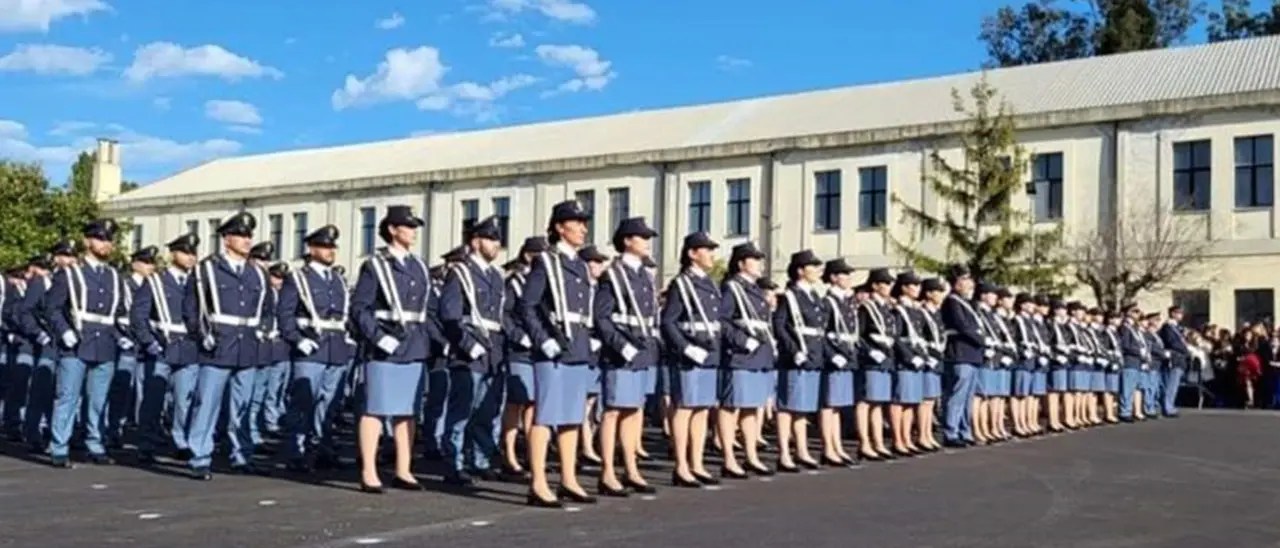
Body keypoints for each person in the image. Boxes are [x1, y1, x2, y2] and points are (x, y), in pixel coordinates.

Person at [519, 200, 596, 507]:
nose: (582, 228)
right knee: (545, 415)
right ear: (559, 228)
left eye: (582, 222)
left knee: (571, 418)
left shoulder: (578, 264)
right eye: (575, 222)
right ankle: (537, 481)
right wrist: (542, 340)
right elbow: (527, 306)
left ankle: (568, 478)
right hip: (552, 347)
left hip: (576, 346)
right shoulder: (546, 262)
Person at [184, 212, 272, 479]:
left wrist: (263, 331)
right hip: (218, 344)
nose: (247, 240)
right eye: (241, 235)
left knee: (242, 406)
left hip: (247, 345)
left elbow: (267, 310)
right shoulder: (206, 269)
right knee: (207, 403)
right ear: (226, 239)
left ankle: (241, 454)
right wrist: (202, 335)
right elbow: (192, 309)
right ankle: (200, 455)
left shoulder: (257, 272)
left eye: (249, 236)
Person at [350, 205, 431, 492]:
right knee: (375, 409)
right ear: (393, 230)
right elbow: (360, 308)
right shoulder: (375, 265)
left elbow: (426, 309)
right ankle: (369, 470)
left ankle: (404, 469)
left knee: (407, 411)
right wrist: (377, 337)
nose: (412, 232)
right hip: (385, 344)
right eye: (407, 227)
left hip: (414, 344)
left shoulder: (419, 265)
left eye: (413, 227)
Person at [45, 219, 126, 468]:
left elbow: (120, 311)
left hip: (105, 343)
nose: (106, 244)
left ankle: (95, 443)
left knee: (98, 399)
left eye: (109, 239)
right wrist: (64, 331)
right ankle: (59, 446)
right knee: (68, 397)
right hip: (77, 343)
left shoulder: (113, 275)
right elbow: (53, 308)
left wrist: (122, 333)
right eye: (101, 238)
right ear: (87, 241)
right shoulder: (69, 273)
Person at [594, 217, 661, 495]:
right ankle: (607, 471)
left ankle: (631, 468)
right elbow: (602, 317)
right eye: (641, 237)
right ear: (626, 241)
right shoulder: (614, 274)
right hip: (621, 351)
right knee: (613, 412)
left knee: (634, 411)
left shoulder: (644, 275)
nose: (647, 242)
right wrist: (621, 345)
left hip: (642, 349)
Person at [278, 225, 354, 472]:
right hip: (311, 348)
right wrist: (297, 339)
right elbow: (285, 314)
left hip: (336, 348)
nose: (330, 251)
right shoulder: (298, 278)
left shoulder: (338, 280)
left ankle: (323, 447)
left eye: (332, 246)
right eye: (325, 246)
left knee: (330, 404)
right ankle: (295, 451)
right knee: (303, 402)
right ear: (312, 249)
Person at [439, 216, 507, 485]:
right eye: (491, 239)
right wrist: (468, 345)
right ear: (476, 242)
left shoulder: (496, 276)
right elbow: (450, 315)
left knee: (487, 411)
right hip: (469, 352)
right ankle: (453, 463)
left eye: (497, 239)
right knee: (461, 411)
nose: (497, 245)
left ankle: (479, 460)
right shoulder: (460, 272)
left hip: (494, 351)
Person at [661, 232, 724, 486]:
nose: (711, 254)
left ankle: (697, 463)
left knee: (701, 410)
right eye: (706, 250)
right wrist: (686, 348)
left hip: (709, 354)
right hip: (690, 355)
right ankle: (681, 465)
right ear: (692, 254)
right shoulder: (682, 284)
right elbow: (668, 322)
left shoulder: (709, 284)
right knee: (685, 409)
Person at [132, 234, 200, 463]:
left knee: (184, 401)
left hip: (188, 347)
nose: (191, 257)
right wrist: (148, 342)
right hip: (162, 345)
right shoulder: (155, 281)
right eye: (185, 252)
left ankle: (181, 441)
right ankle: (146, 443)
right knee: (153, 400)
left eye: (193, 253)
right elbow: (138, 316)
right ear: (173, 254)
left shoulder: (197, 282)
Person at [106, 245, 155, 449]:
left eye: (152, 263)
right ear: (135, 264)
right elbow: (115, 314)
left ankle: (140, 430)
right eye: (146, 262)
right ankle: (114, 428)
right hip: (127, 342)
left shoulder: (154, 285)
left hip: (144, 344)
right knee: (122, 388)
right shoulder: (125, 285)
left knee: (144, 391)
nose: (150, 267)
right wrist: (119, 336)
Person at [818, 258, 858, 465]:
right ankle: (828, 448)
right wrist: (832, 355)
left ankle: (837, 445)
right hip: (834, 358)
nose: (849, 278)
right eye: (844, 274)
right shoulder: (828, 302)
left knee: (838, 406)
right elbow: (822, 333)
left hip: (846, 356)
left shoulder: (846, 301)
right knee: (829, 405)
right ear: (833, 278)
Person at [857, 267, 898, 459]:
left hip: (885, 359)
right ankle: (864, 442)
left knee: (878, 403)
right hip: (871, 360)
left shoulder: (886, 308)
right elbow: (859, 335)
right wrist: (870, 352)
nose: (889, 287)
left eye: (890, 283)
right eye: (885, 283)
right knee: (866, 402)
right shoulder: (867, 307)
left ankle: (878, 442)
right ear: (875, 285)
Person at [940, 264, 981, 448]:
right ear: (956, 283)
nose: (969, 283)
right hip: (960, 353)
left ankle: (964, 430)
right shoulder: (952, 302)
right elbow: (963, 326)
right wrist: (981, 339)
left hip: (972, 354)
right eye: (965, 279)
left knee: (967, 397)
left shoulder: (968, 303)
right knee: (957, 395)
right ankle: (951, 431)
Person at [889, 271, 925, 454]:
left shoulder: (915, 310)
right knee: (900, 402)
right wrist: (910, 357)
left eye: (918, 285)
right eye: (913, 285)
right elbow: (896, 338)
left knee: (911, 403)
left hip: (917, 359)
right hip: (904, 361)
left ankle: (907, 437)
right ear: (903, 288)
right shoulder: (898, 310)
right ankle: (898, 439)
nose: (917, 289)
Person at [579, 244, 608, 467]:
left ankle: (590, 443)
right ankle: (586, 446)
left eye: (600, 262)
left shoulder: (600, 289)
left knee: (595, 401)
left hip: (599, 348)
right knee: (584, 403)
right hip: (581, 342)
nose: (598, 266)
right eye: (594, 262)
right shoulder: (579, 287)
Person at [916, 278, 947, 450]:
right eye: (937, 291)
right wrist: (928, 356)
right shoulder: (922, 313)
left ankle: (927, 434)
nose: (941, 295)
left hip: (937, 358)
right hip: (928, 359)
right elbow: (920, 338)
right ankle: (922, 435)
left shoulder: (936, 313)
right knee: (925, 401)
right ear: (928, 294)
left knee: (931, 401)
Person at [1158, 305, 1189, 417]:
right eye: (1178, 312)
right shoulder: (1168, 327)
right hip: (1174, 358)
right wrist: (1185, 349)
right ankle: (1167, 407)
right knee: (1171, 384)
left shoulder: (1177, 328)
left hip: (1179, 359)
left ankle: (1169, 405)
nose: (1181, 315)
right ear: (1172, 314)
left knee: (1174, 384)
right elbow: (1172, 342)